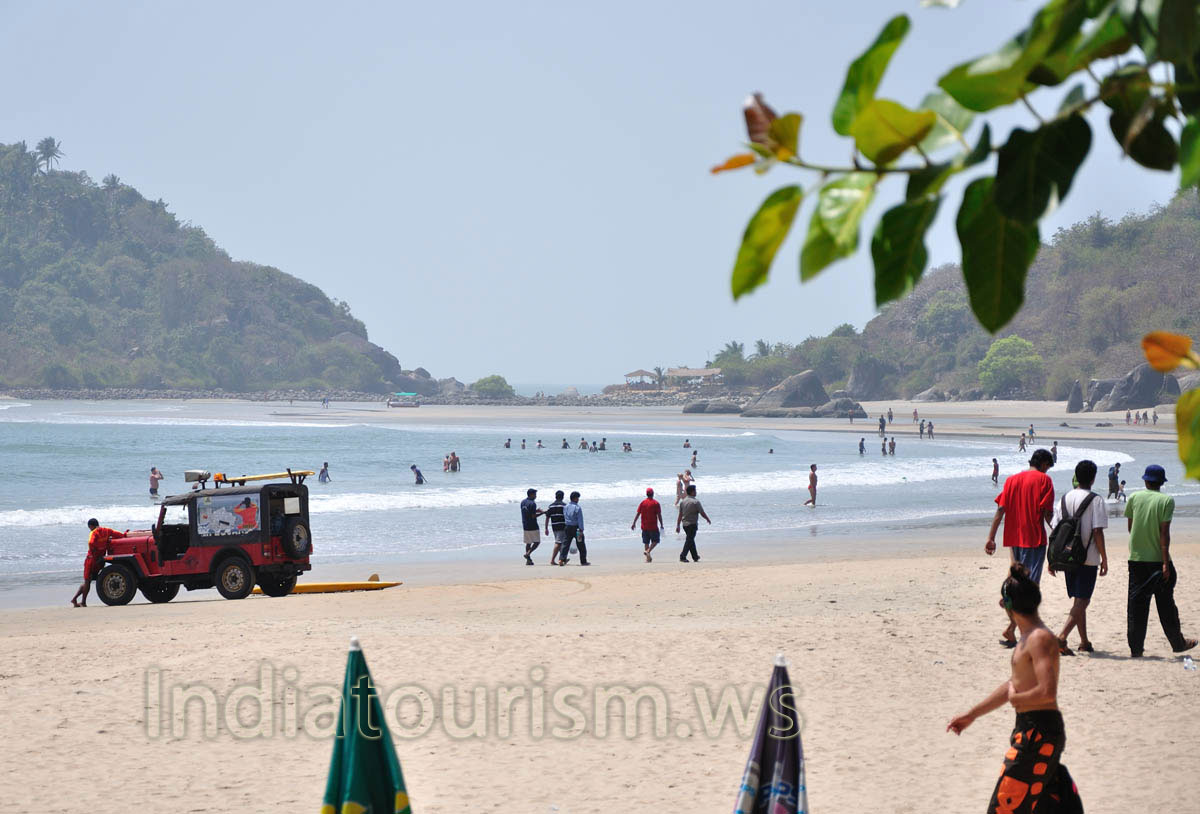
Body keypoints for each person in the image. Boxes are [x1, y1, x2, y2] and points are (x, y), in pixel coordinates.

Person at [947, 565, 1083, 813]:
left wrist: (1017, 699)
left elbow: (1047, 691)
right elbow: (1012, 685)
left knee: (1003, 807)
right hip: (1032, 730)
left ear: (1007, 605)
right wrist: (972, 714)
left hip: (1038, 735)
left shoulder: (1039, 638)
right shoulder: (1027, 637)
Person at [1124, 465, 1197, 657]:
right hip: (1158, 560)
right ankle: (1178, 643)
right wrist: (1165, 562)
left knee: (1136, 605)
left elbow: (1131, 528)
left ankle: (1136, 649)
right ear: (1161, 483)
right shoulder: (1166, 501)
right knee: (1165, 604)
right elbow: (1164, 533)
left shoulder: (1134, 497)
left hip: (1137, 559)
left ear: (1146, 481)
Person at [986, 449, 1055, 648]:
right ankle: (1017, 629)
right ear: (1044, 464)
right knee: (1030, 589)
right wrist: (1059, 534)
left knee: (1016, 585)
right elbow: (1047, 514)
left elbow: (1001, 509)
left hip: (1014, 539)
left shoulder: (1011, 480)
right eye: (1048, 467)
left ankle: (1012, 627)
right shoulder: (1044, 480)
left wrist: (991, 537)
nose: (1047, 471)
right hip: (1034, 539)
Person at [1050, 460, 1108, 655]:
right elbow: (1097, 531)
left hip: (1067, 557)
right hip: (1088, 558)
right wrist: (1104, 558)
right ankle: (1061, 637)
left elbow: (1055, 529)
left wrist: (1052, 558)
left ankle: (1084, 642)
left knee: (1078, 599)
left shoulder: (1064, 499)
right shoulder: (1096, 500)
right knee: (1083, 600)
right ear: (1093, 478)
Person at [71, 519, 126, 607]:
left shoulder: (94, 532)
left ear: (91, 526)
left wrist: (94, 553)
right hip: (100, 560)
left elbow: (91, 542)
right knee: (88, 581)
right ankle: (76, 599)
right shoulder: (107, 530)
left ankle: (82, 601)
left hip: (91, 559)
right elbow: (119, 535)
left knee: (87, 581)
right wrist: (125, 534)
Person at [675, 484, 710, 562]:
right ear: (692, 492)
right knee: (689, 540)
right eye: (695, 491)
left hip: (684, 525)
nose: (696, 492)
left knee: (690, 540)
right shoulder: (695, 502)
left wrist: (678, 525)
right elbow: (702, 512)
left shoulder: (683, 502)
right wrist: (707, 519)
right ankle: (682, 556)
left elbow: (680, 515)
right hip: (692, 524)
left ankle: (695, 556)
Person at [632, 487, 664, 562]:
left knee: (646, 542)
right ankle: (648, 551)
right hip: (653, 526)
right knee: (656, 540)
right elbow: (659, 515)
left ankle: (648, 558)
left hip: (644, 526)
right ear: (653, 494)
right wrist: (661, 524)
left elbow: (638, 514)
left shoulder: (642, 503)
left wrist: (634, 523)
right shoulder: (656, 503)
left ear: (646, 494)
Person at [560, 492, 589, 566]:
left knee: (565, 544)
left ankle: (562, 559)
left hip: (567, 527)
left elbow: (565, 516)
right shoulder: (577, 508)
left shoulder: (565, 507)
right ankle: (583, 561)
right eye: (578, 498)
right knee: (581, 545)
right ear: (575, 498)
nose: (578, 499)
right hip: (576, 528)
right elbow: (580, 519)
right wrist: (581, 529)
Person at [520, 488, 544, 565]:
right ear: (531, 494)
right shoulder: (533, 503)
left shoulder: (523, 502)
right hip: (533, 525)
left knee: (528, 542)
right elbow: (533, 516)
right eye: (535, 494)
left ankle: (528, 560)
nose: (536, 496)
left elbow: (527, 512)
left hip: (525, 524)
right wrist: (542, 513)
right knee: (537, 542)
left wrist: (536, 511)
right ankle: (528, 553)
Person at [544, 490, 568, 564]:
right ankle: (552, 560)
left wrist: (546, 528)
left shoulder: (551, 506)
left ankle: (562, 558)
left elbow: (547, 517)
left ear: (555, 496)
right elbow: (568, 517)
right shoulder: (564, 506)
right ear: (563, 497)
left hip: (554, 526)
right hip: (562, 526)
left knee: (560, 542)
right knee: (559, 542)